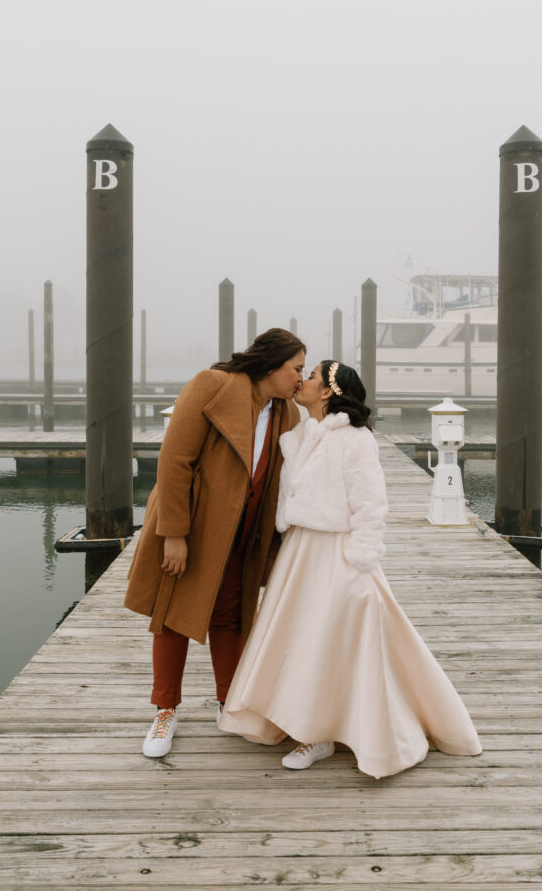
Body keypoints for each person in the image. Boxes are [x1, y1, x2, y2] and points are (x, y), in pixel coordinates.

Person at [218, 359, 482, 779]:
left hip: (339, 551)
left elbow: (371, 504)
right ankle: (295, 719)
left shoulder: (354, 439)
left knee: (329, 638)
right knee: (299, 637)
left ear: (327, 392)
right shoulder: (300, 434)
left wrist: (361, 561)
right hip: (300, 550)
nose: (302, 382)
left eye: (311, 377)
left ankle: (319, 734)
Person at [124, 328, 305, 757]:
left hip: (245, 535)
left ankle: (231, 704)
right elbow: (174, 460)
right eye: (296, 369)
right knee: (172, 618)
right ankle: (165, 710)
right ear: (271, 365)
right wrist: (174, 534)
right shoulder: (212, 385)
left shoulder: (288, 414)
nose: (300, 378)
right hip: (194, 530)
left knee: (231, 617)